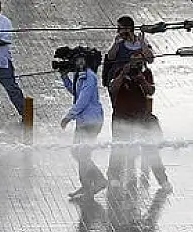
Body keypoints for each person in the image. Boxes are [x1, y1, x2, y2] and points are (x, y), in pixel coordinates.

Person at [108, 51, 171, 192]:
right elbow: (113, 88)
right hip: (121, 116)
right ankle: (114, 177)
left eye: (139, 62)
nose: (136, 65)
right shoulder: (120, 71)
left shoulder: (146, 73)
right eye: (133, 62)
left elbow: (150, 91)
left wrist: (141, 79)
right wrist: (123, 75)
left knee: (150, 148)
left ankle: (163, 180)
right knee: (118, 147)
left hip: (141, 117)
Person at [59, 52, 107, 200]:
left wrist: (68, 116)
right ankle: (89, 184)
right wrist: (64, 77)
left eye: (82, 60)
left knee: (82, 154)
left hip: (91, 122)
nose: (79, 63)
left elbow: (83, 100)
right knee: (78, 152)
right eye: (76, 60)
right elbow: (76, 93)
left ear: (87, 61)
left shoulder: (89, 76)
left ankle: (96, 182)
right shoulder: (80, 76)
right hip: (83, 121)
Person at [104, 16, 154, 99]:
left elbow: (150, 59)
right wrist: (116, 44)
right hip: (120, 77)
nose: (118, 31)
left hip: (138, 77)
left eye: (120, 28)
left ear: (128, 29)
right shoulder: (119, 42)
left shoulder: (141, 42)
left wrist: (142, 44)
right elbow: (110, 57)